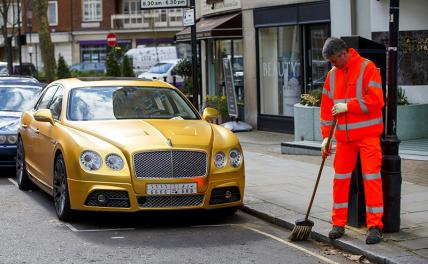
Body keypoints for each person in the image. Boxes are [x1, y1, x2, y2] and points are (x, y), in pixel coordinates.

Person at [320, 37, 385, 244]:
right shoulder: (331, 76)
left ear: (344, 53)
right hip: (344, 139)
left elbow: (377, 100)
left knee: (371, 180)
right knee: (340, 181)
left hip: (367, 136)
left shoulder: (368, 68)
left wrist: (349, 106)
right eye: (330, 61)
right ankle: (338, 223)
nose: (332, 64)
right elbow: (325, 110)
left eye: (334, 60)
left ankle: (374, 226)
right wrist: (325, 138)